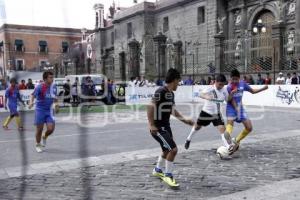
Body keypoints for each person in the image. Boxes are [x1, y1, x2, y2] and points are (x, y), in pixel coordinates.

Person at [147, 68, 194, 187]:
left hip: (165, 126)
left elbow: (172, 110)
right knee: (173, 150)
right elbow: (150, 105)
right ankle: (168, 175)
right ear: (174, 80)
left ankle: (158, 170)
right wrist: (151, 124)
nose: (179, 84)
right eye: (179, 81)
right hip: (158, 128)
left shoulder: (170, 94)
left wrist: (185, 121)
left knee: (167, 150)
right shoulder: (161, 91)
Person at [184, 74, 236, 152]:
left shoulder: (224, 90)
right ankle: (188, 139)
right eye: (219, 84)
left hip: (216, 114)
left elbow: (227, 99)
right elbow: (200, 94)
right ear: (215, 82)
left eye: (222, 84)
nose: (221, 86)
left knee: (222, 129)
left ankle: (228, 146)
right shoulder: (210, 88)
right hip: (206, 112)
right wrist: (206, 97)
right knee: (197, 127)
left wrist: (231, 94)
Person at [226, 69, 268, 154]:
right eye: (232, 79)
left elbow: (252, 91)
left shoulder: (242, 84)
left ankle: (236, 141)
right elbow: (228, 100)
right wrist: (232, 94)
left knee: (249, 127)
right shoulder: (229, 87)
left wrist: (263, 88)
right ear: (230, 79)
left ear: (239, 78)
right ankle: (227, 140)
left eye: (236, 79)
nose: (234, 81)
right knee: (230, 123)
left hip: (240, 108)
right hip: (231, 108)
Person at [29, 71, 58, 153]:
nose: (52, 79)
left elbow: (55, 98)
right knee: (39, 129)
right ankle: (38, 144)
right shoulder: (40, 87)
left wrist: (56, 105)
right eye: (50, 77)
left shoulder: (54, 87)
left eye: (53, 77)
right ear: (45, 79)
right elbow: (32, 95)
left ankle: (44, 137)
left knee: (51, 129)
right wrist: (31, 102)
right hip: (40, 110)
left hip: (49, 110)